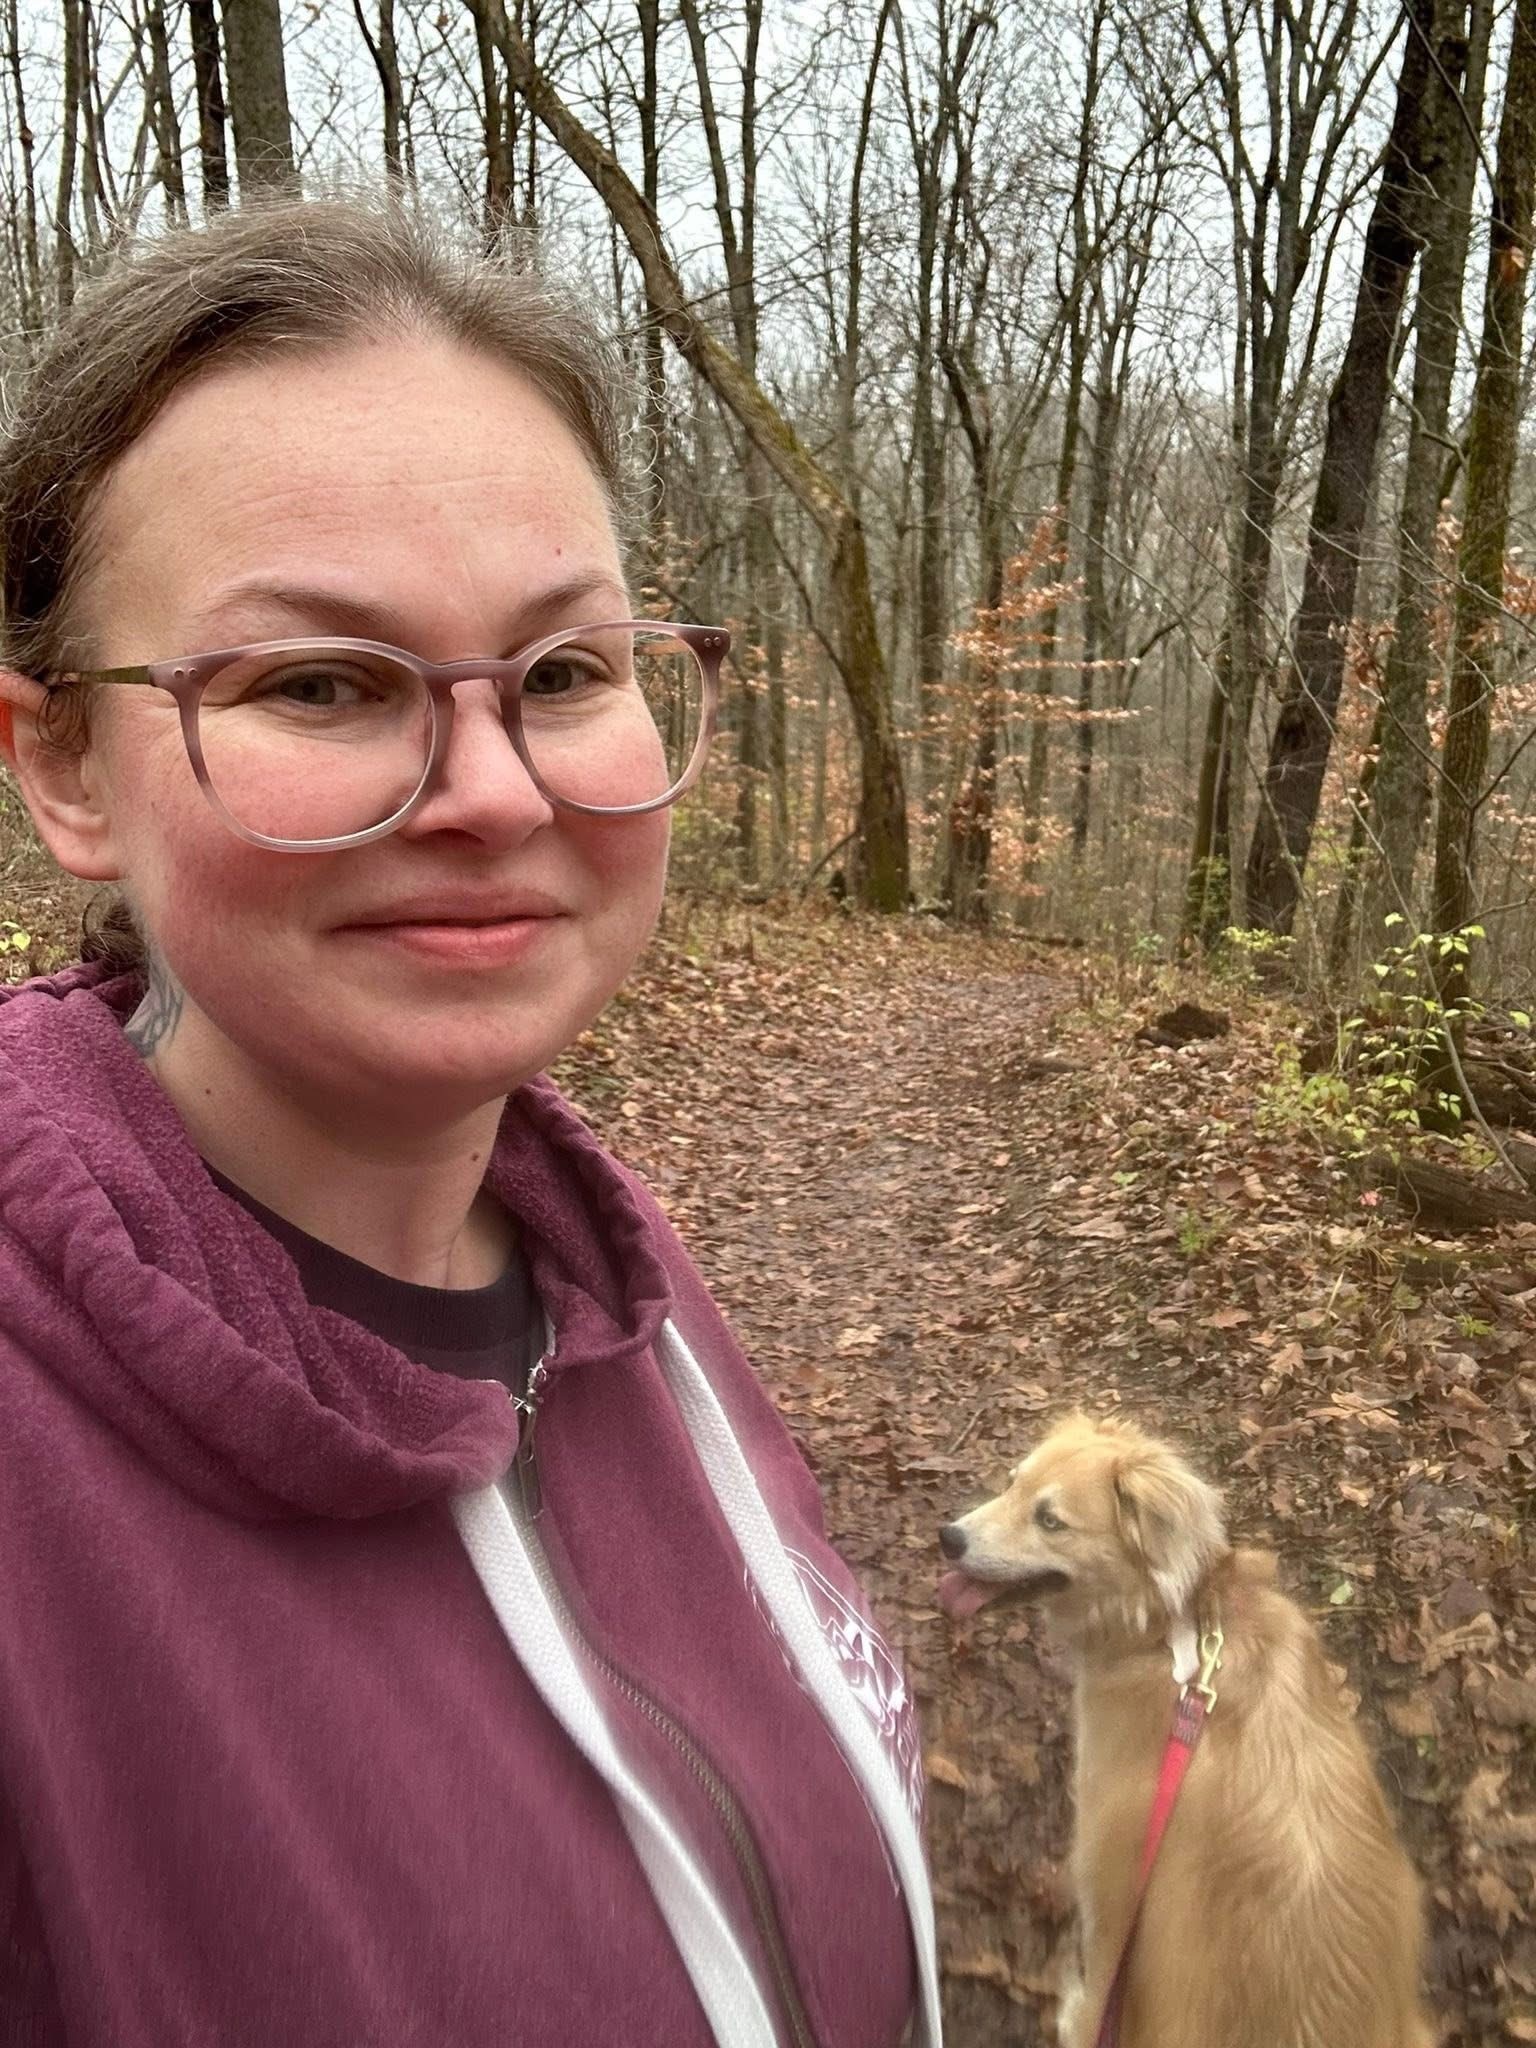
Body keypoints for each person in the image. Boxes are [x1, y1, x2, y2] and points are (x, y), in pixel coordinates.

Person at [0, 199, 939, 2048]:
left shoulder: (619, 1281)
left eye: (566, 673)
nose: (493, 792)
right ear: (60, 764)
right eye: (323, 684)